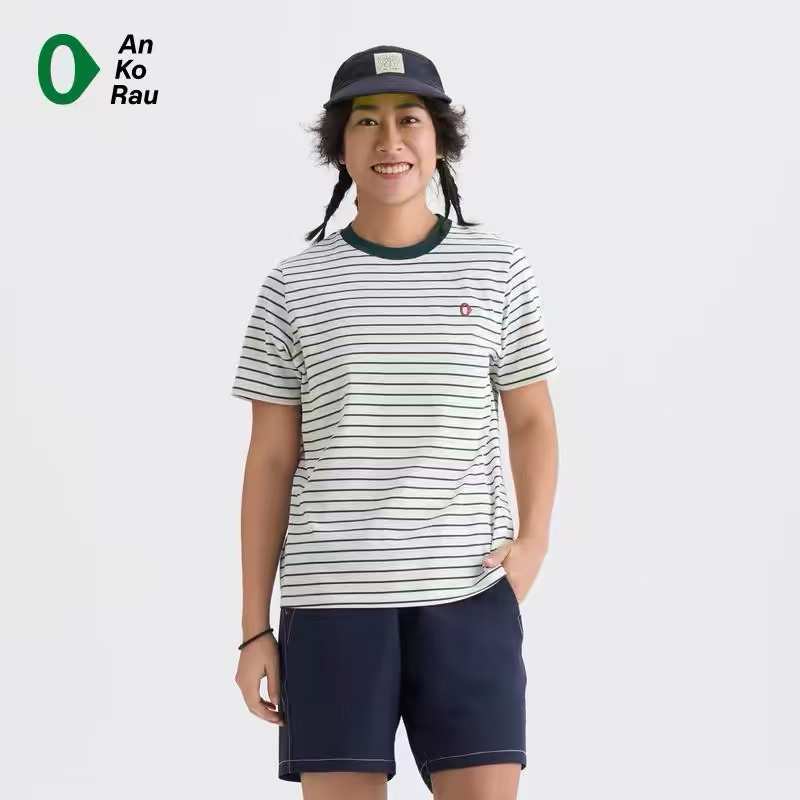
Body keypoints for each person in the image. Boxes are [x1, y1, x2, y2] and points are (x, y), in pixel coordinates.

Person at [231, 45, 560, 800]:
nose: (390, 141)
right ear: (339, 148)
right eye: (366, 122)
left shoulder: (498, 267)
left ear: (439, 139)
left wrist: (534, 544)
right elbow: (270, 459)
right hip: (331, 604)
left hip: (468, 593)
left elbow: (532, 419)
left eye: (409, 120)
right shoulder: (292, 286)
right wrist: (254, 628)